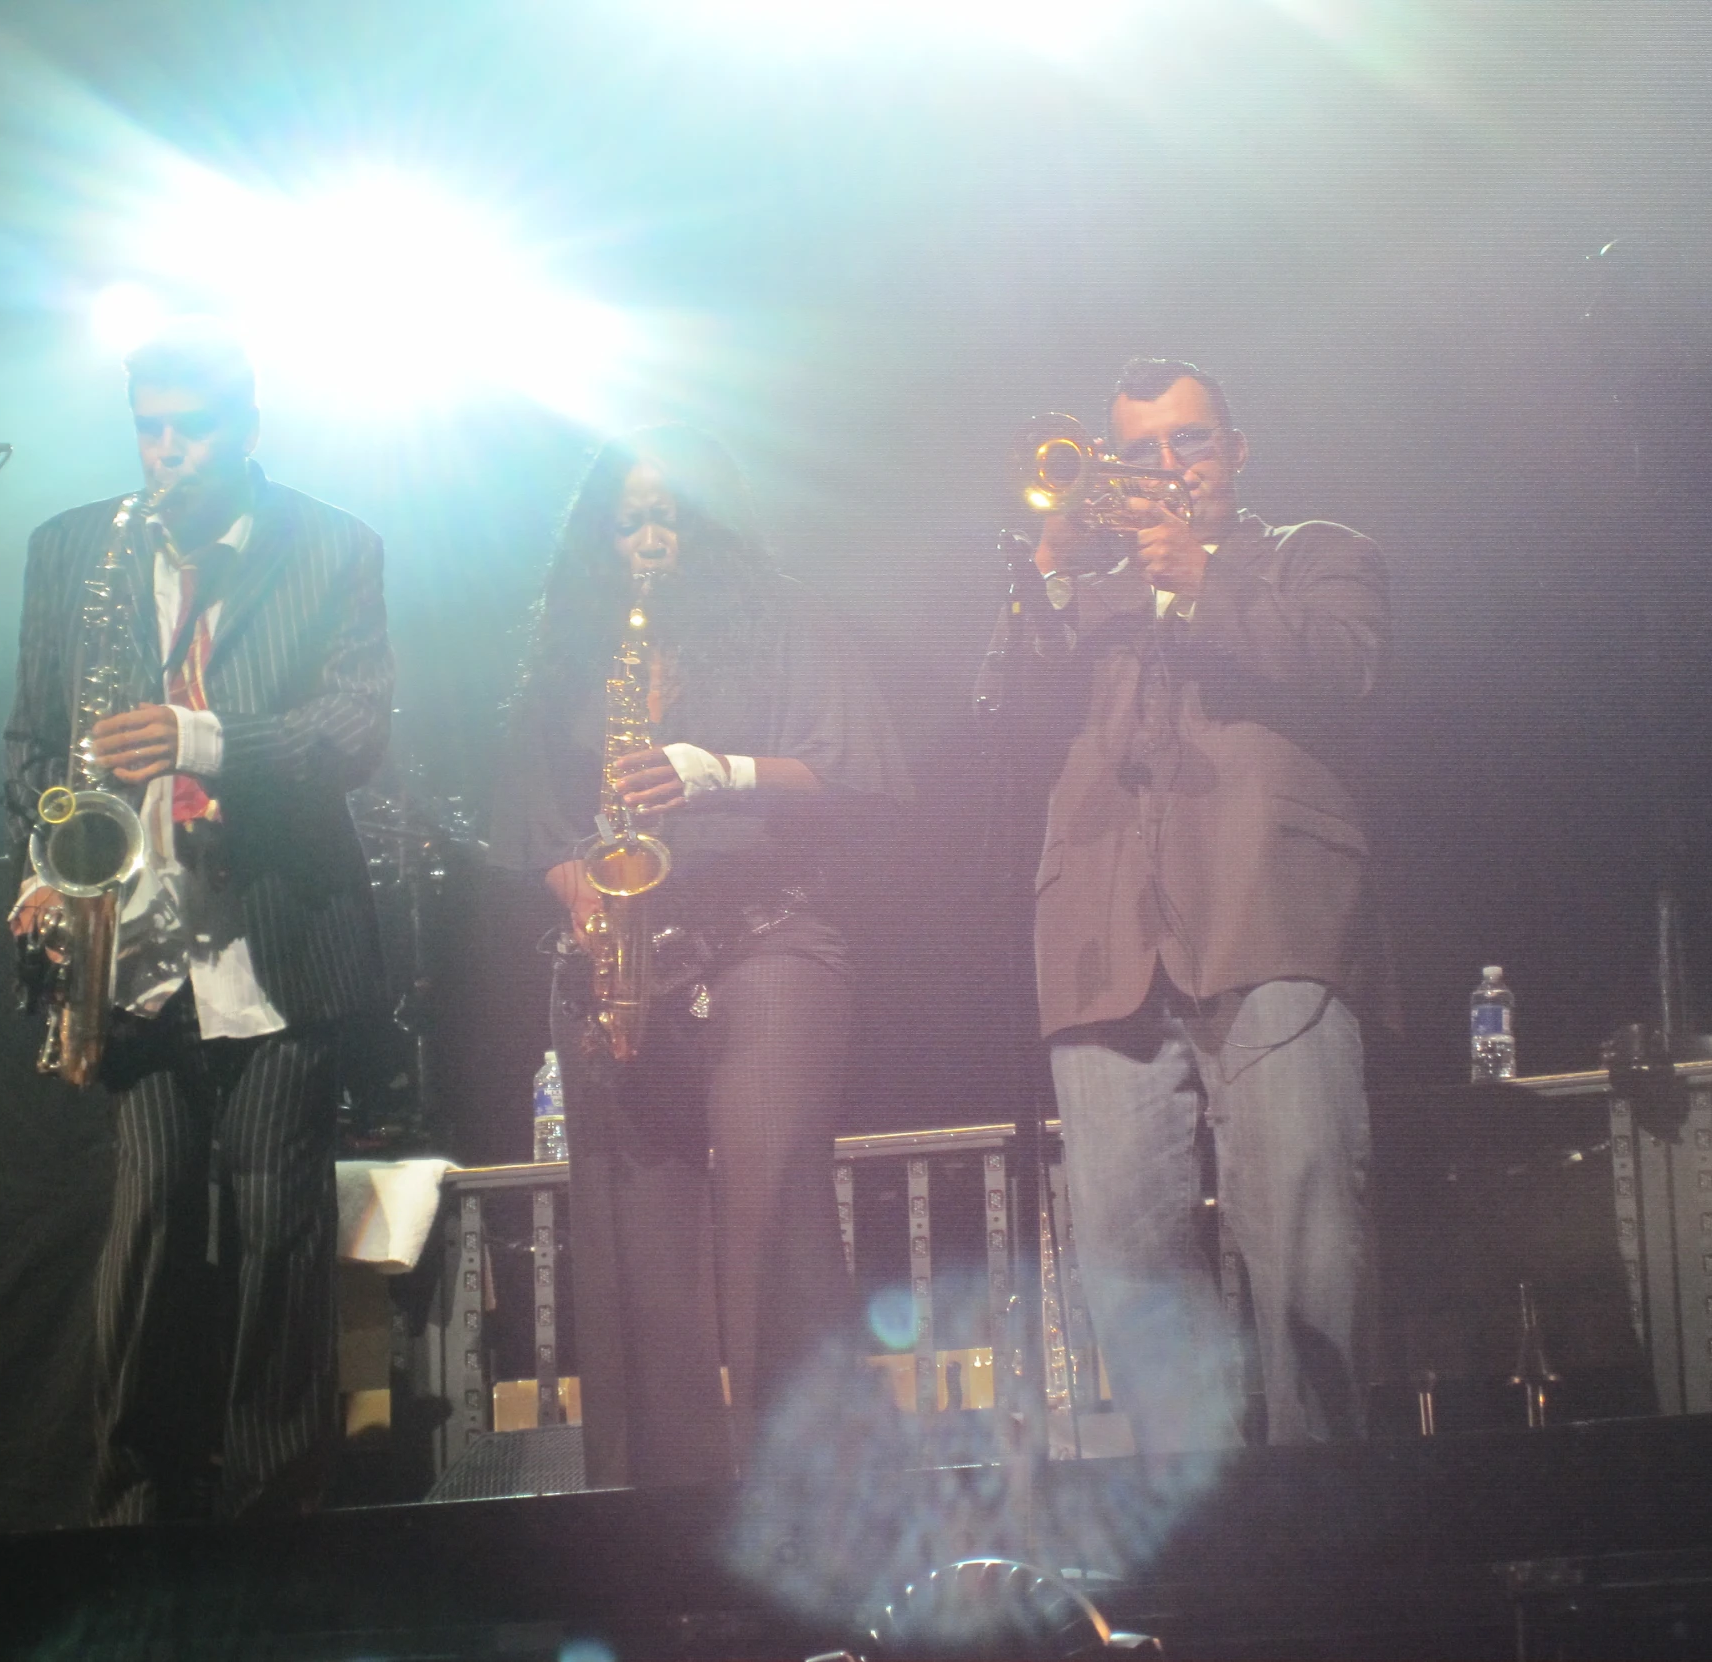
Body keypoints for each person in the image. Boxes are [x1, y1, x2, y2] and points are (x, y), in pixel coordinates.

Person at [4, 322, 393, 1523]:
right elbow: (33, 743)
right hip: (133, 942)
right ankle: (131, 1517)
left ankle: (277, 1519)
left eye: (192, 426)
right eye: (148, 426)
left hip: (274, 938)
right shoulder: (76, 548)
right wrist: (39, 865)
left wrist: (198, 735)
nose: (165, 451)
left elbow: (352, 732)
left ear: (249, 429)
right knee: (149, 1227)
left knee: (277, 1228)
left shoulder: (331, 544)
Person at [490, 424, 908, 1487]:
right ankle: (658, 1529)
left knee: (770, 1216)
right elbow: (537, 822)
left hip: (767, 936)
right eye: (624, 523)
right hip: (627, 959)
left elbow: (862, 772)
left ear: (706, 525)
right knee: (637, 1260)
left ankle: (814, 1500)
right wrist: (585, 902)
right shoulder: (570, 653)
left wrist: (715, 770)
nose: (645, 541)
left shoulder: (786, 617)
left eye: (665, 518)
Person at [998, 357, 1391, 1449]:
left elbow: (1344, 666)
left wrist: (1196, 580)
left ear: (1235, 450)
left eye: (1188, 443)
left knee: (1304, 1244)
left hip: (1269, 922)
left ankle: (1325, 1526)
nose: (1164, 469)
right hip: (1104, 945)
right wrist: (1052, 579)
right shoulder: (1098, 597)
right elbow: (1002, 726)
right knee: (1124, 1258)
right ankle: (1200, 1540)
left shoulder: (1313, 553)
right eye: (1137, 454)